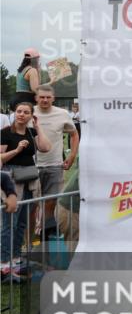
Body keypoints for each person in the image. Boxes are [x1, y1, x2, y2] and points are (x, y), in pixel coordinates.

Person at [1, 100, 52, 279]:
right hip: (11, 179)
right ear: (15, 113)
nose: (22, 114)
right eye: (19, 111)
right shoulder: (6, 133)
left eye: (26, 112)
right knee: (10, 222)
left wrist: (38, 127)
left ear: (31, 116)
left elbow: (45, 147)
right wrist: (16, 150)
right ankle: (4, 263)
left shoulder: (31, 132)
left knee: (22, 222)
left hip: (29, 179)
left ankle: (15, 258)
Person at [34, 85, 78, 244]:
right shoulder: (28, 113)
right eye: (41, 97)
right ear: (36, 98)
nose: (45, 100)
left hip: (54, 165)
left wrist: (72, 155)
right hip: (31, 167)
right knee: (30, 205)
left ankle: (45, 234)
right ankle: (31, 234)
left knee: (51, 201)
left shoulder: (62, 114)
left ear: (53, 98)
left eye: (48, 97)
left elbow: (74, 134)